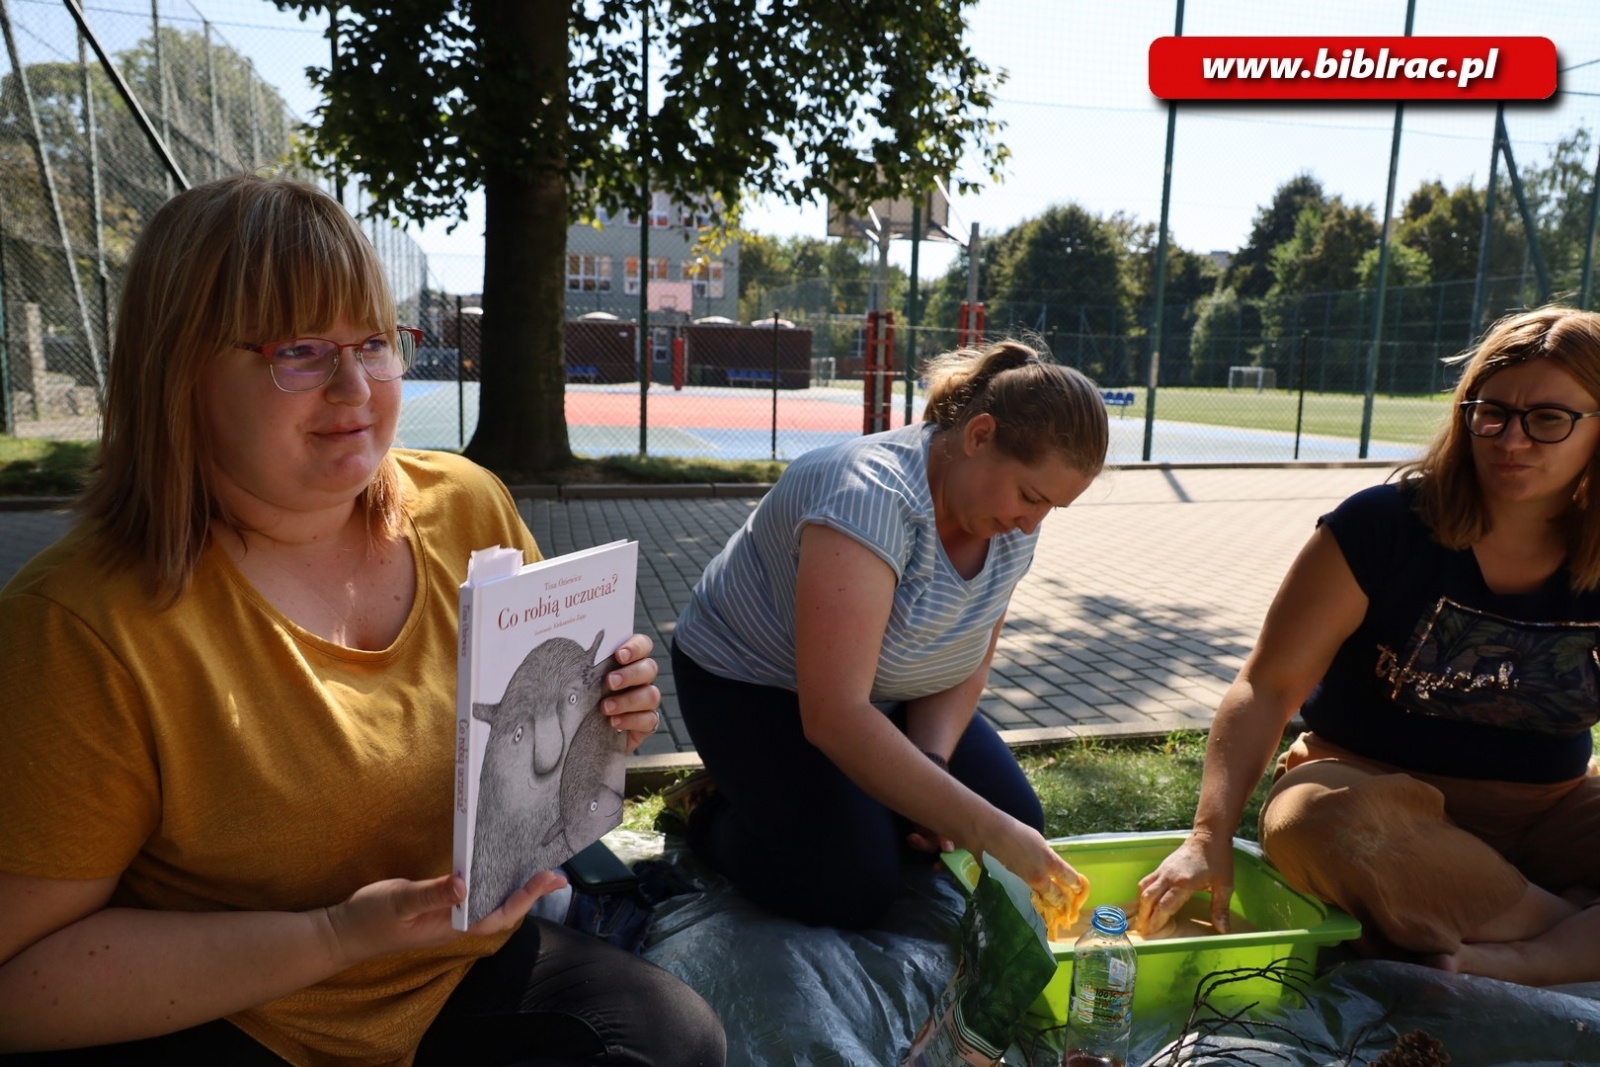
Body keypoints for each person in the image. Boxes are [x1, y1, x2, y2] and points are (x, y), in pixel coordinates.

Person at [0, 174, 725, 1065]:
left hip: (450, 966)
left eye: (375, 341)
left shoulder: (467, 506)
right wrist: (335, 936)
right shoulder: (79, 628)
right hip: (243, 1013)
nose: (356, 387)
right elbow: (19, 983)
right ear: (179, 368)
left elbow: (544, 740)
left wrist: (608, 708)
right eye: (300, 350)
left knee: (674, 1039)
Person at [1137, 306, 1600, 986]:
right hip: (1373, 799)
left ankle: (1487, 955)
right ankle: (1563, 931)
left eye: (1549, 419)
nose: (1512, 440)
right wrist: (1208, 836)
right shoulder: (1380, 527)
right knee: (1312, 822)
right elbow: (1267, 686)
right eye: (1491, 412)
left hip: (1546, 809)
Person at [668, 341, 1108, 928]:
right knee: (849, 884)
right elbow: (834, 716)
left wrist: (933, 766)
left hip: (879, 691)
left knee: (1013, 814)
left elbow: (968, 656)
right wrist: (972, 822)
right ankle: (708, 810)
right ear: (978, 436)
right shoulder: (868, 499)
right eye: (1031, 496)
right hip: (755, 686)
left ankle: (856, 808)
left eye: (1052, 507)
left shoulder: (1010, 521)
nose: (1032, 523)